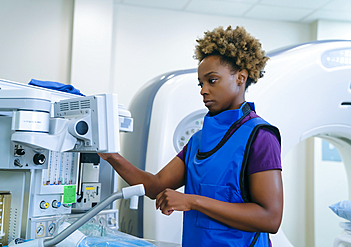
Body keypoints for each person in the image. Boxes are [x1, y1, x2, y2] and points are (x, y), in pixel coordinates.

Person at [99, 25, 283, 247]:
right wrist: (111, 156)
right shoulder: (198, 141)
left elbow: (270, 218)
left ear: (240, 78)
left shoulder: (260, 136)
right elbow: (155, 185)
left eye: (212, 80)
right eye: (201, 83)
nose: (203, 90)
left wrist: (192, 201)